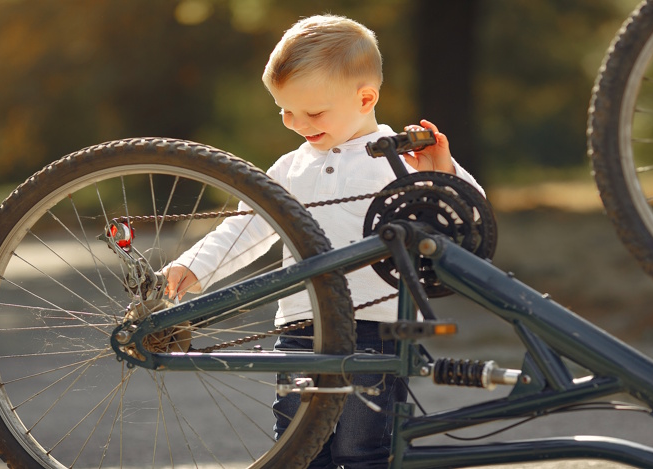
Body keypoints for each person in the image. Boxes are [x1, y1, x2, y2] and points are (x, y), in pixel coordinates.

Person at [163, 14, 484, 469]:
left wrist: (441, 172)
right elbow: (247, 227)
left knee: (363, 449)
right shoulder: (288, 168)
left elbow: (469, 218)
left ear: (365, 97)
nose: (295, 123)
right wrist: (197, 264)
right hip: (299, 327)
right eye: (284, 110)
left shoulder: (403, 158)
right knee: (296, 448)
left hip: (377, 329)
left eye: (312, 112)